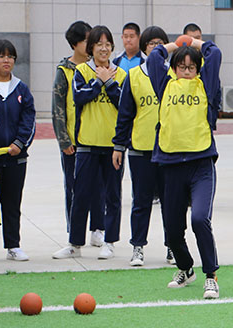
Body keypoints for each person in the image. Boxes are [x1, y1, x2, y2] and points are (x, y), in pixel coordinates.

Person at [146, 36, 222, 297]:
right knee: (172, 229)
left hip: (200, 163)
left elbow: (215, 54)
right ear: (174, 68)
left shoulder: (205, 86)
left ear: (198, 70)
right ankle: (185, 268)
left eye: (192, 67)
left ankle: (210, 275)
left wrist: (194, 42)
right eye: (182, 67)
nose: (187, 72)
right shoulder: (165, 84)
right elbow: (154, 57)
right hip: (170, 164)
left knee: (200, 218)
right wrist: (175, 46)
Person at [53, 26, 127, 260]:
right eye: (99, 44)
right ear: (91, 48)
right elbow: (79, 96)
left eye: (108, 44)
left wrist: (109, 82)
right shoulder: (81, 71)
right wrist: (99, 81)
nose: (103, 48)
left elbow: (123, 104)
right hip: (86, 144)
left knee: (112, 195)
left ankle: (109, 241)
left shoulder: (122, 74)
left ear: (112, 48)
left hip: (112, 146)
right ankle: (75, 243)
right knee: (80, 194)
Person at [113, 26, 173, 266]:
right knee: (141, 201)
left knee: (171, 202)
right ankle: (138, 247)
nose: (156, 47)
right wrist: (119, 145)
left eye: (161, 43)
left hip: (169, 150)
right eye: (151, 43)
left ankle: (173, 246)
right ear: (144, 48)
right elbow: (125, 114)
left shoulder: (174, 75)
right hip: (140, 149)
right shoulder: (134, 76)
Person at [0, 40, 36, 263]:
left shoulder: (21, 89)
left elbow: (29, 120)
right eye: (1, 56)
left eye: (11, 56)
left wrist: (19, 144)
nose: (7, 60)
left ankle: (13, 245)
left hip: (15, 158)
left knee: (12, 203)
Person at [52, 21, 104, 244]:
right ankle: (74, 231)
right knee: (74, 188)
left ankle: (98, 229)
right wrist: (64, 140)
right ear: (75, 44)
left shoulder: (100, 67)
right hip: (74, 141)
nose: (92, 44)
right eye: (86, 40)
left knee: (100, 187)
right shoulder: (65, 71)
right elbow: (58, 108)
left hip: (98, 138)